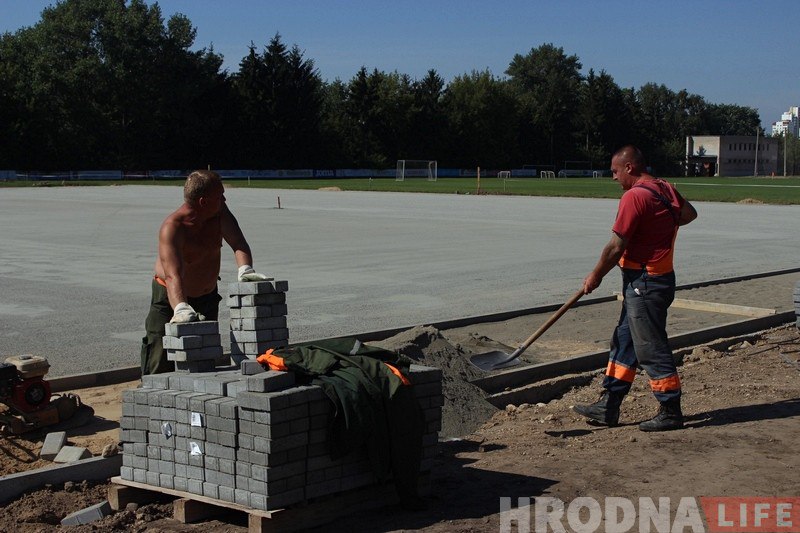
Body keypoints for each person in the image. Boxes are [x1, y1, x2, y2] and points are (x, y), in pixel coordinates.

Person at [573, 145, 697, 432]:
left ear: (629, 167)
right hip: (656, 279)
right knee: (625, 341)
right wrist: (658, 228)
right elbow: (689, 214)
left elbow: (616, 246)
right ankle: (609, 404)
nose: (613, 178)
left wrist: (595, 276)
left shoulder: (634, 197)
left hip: (645, 281)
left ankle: (670, 409)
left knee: (650, 346)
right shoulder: (663, 187)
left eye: (615, 171)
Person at [140, 170, 270, 375]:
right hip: (169, 298)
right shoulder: (173, 227)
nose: (224, 199)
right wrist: (181, 308)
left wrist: (245, 269)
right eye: (220, 195)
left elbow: (238, 242)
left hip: (207, 298)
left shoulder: (219, 213)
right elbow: (174, 275)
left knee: (203, 356)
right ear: (203, 201)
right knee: (158, 355)